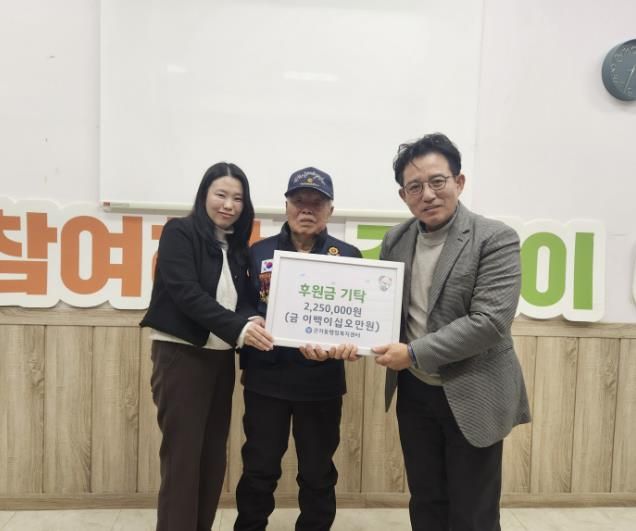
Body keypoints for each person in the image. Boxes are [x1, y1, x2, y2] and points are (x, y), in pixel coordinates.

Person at [338, 133, 530, 530]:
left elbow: (490, 322)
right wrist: (350, 336)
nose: (427, 194)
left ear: (459, 182)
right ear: (403, 195)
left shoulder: (495, 238)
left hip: (474, 389)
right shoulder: (396, 239)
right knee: (426, 502)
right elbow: (381, 310)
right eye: (415, 186)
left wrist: (413, 353)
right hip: (416, 393)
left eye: (437, 181)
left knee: (473, 512)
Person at [140, 162, 274, 531]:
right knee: (182, 459)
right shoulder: (179, 232)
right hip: (181, 356)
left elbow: (240, 300)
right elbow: (186, 293)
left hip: (220, 359)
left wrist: (252, 318)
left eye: (238, 198)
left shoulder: (236, 247)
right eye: (221, 194)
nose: (229, 205)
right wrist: (239, 328)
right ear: (204, 195)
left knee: (212, 457)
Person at [234, 167, 361, 531]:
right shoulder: (258, 252)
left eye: (316, 202)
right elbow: (242, 304)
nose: (307, 209)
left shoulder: (348, 256)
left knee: (318, 472)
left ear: (330, 210)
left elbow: (357, 317)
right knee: (259, 468)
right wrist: (249, 321)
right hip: (266, 380)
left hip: (321, 383)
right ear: (286, 206)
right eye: (299, 200)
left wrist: (351, 344)